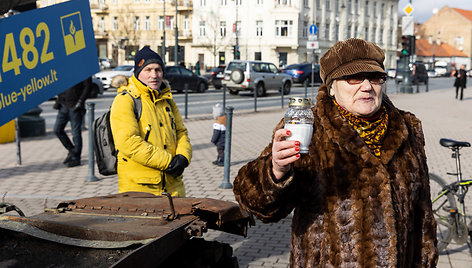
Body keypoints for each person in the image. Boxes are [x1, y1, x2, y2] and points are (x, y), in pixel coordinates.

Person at [233, 38, 438, 267]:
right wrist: (276, 170)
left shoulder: (407, 127)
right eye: (354, 78)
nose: (367, 86)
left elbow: (423, 216)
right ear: (331, 86)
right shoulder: (308, 127)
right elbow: (256, 203)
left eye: (375, 77)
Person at [110, 46, 192, 197]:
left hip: (173, 186)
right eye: (148, 70)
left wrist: (183, 157)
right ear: (138, 72)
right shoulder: (126, 100)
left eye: (158, 70)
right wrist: (168, 162)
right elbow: (128, 142)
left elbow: (181, 132)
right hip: (141, 189)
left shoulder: (167, 100)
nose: (154, 75)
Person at [53, 77, 91, 167]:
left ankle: (76, 158)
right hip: (63, 105)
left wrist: (81, 101)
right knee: (57, 130)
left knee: (76, 133)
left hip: (75, 106)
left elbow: (87, 86)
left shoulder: (83, 68)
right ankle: (72, 150)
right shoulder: (66, 67)